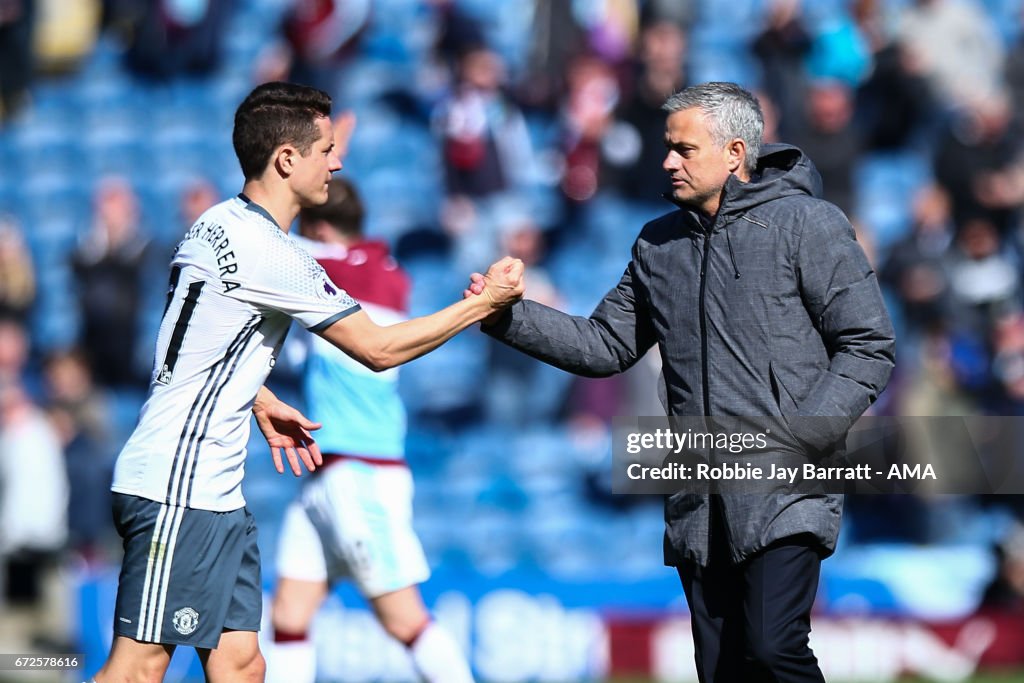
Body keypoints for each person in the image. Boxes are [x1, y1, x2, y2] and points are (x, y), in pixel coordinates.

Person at [91, 81, 523, 683]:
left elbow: (199, 342)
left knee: (242, 664)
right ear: (287, 159)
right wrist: (483, 307)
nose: (338, 161)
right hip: (176, 486)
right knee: (137, 671)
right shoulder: (274, 256)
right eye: (325, 149)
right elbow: (378, 348)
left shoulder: (215, 223)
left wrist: (257, 397)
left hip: (212, 491)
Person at [469, 82, 895, 682]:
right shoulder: (656, 243)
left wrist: (803, 437)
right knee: (721, 670)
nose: (667, 160)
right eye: (668, 148)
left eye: (684, 149)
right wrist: (506, 313)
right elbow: (606, 345)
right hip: (700, 496)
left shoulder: (810, 224)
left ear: (734, 152)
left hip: (787, 487)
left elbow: (868, 345)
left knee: (774, 649)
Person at [265, 177, 473, 683]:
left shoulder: (332, 270)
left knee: (405, 619)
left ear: (318, 226)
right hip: (326, 473)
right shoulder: (385, 271)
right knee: (289, 617)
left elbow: (268, 243)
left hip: (360, 472)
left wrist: (291, 183)